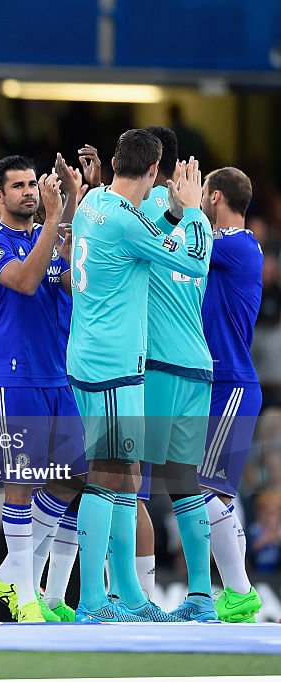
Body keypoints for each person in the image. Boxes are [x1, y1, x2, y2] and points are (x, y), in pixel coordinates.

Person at [67, 129, 210, 622]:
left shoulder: (94, 205)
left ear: (113, 163)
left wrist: (168, 214)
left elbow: (143, 239)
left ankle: (127, 595)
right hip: (112, 364)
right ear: (154, 173)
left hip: (92, 355)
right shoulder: (126, 222)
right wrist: (191, 209)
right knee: (108, 475)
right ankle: (91, 600)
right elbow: (191, 259)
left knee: (124, 476)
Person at [0, 155, 85, 623]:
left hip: (55, 374)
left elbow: (69, 280)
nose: (28, 192)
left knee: (75, 475)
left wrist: (73, 207)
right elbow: (26, 280)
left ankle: (10, 571)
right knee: (20, 483)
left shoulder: (46, 232)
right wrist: (55, 220)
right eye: (16, 186)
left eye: (30, 184)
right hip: (11, 376)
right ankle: (23, 593)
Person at [137, 127, 217, 621]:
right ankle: (202, 597)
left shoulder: (143, 214)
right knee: (185, 482)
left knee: (125, 480)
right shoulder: (200, 221)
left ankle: (131, 596)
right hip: (198, 365)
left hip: (159, 363)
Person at [195, 166, 263, 622]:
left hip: (232, 383)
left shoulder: (235, 244)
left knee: (205, 489)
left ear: (215, 196)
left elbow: (184, 244)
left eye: (201, 191)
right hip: (219, 383)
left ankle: (239, 592)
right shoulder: (233, 246)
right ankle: (235, 592)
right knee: (214, 493)